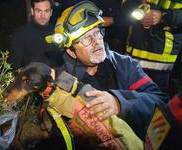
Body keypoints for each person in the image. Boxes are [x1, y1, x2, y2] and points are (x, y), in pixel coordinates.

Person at [46, 0, 169, 141]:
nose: (97, 41)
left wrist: (120, 102)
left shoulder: (124, 65)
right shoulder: (62, 82)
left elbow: (161, 103)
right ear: (71, 52)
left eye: (97, 33)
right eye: (86, 38)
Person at [122, 0, 182, 92]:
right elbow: (125, 3)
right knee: (126, 98)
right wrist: (139, 8)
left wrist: (163, 16)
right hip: (133, 51)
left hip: (160, 60)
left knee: (154, 101)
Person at [9, 0, 64, 70]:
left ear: (51, 12)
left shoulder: (58, 32)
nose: (43, 16)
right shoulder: (21, 34)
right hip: (31, 79)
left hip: (57, 78)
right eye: (39, 11)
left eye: (46, 11)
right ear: (32, 11)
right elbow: (13, 66)